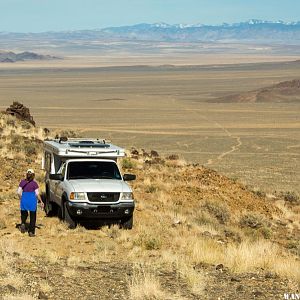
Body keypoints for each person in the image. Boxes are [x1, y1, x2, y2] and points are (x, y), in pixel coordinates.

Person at [17, 169, 43, 237]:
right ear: (33, 175)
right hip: (32, 201)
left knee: (24, 213)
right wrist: (41, 201)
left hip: (24, 199)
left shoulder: (22, 182)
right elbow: (37, 194)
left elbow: (18, 192)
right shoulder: (34, 183)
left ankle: (23, 223)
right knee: (32, 217)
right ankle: (31, 232)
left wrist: (21, 198)